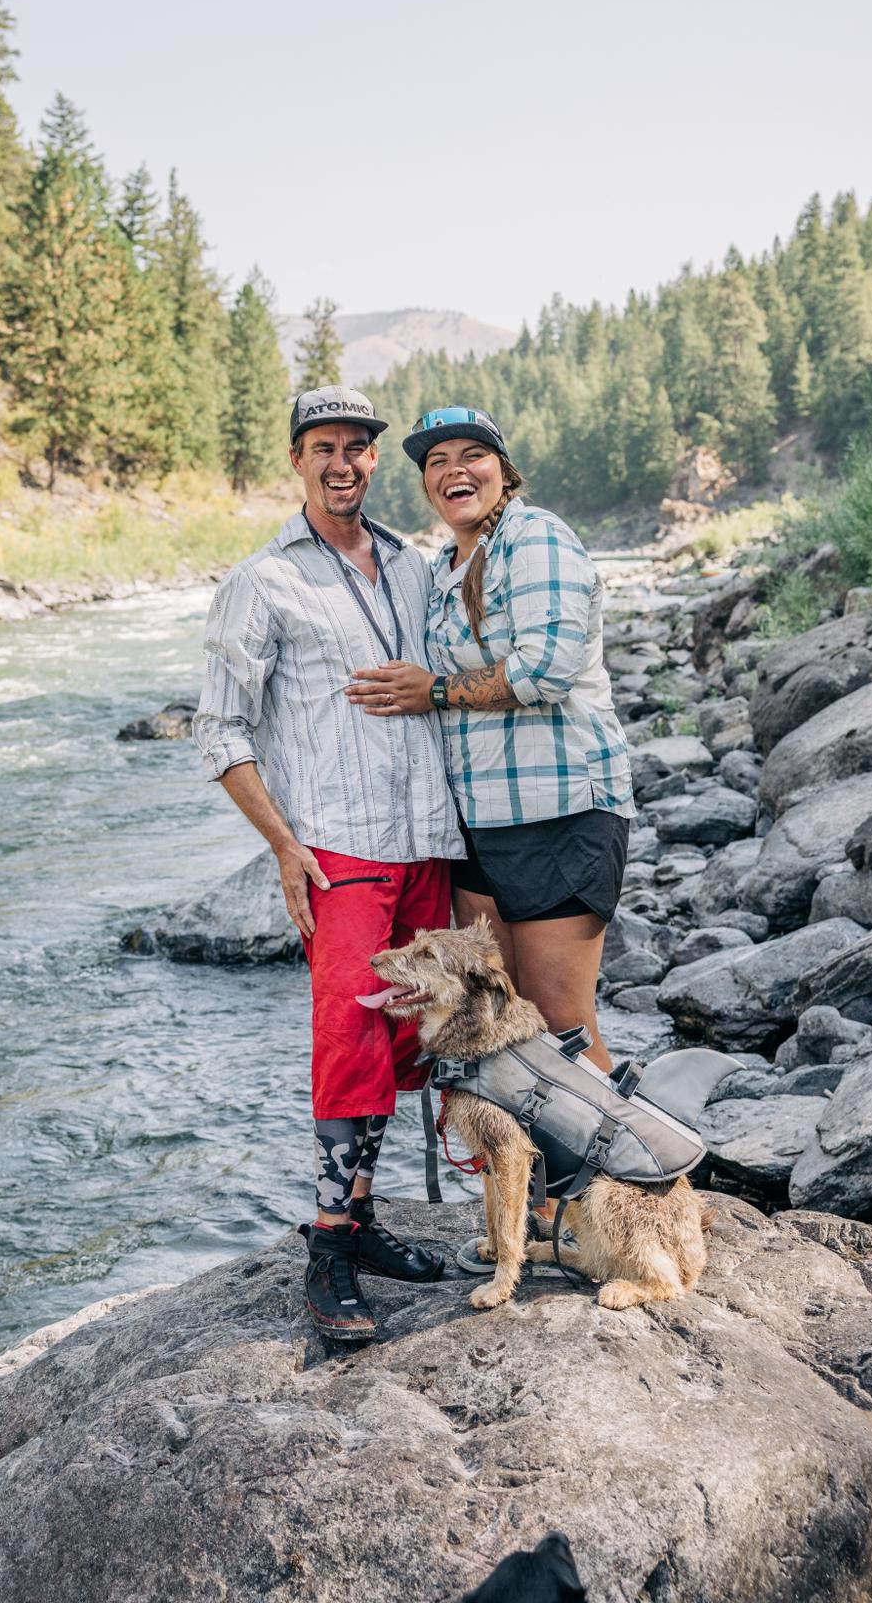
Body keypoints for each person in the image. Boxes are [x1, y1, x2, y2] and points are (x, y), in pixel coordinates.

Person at [193, 386, 463, 1342]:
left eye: (356, 447)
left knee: (401, 1038)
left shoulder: (415, 566)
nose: (341, 463)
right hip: (337, 845)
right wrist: (282, 843)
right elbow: (219, 729)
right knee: (348, 1039)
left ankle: (364, 1218)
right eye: (323, 447)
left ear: (375, 459)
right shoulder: (262, 581)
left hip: (427, 835)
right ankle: (329, 1249)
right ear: (297, 460)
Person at [345, 404, 634, 1269]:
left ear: (505, 472)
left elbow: (545, 670)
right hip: (481, 825)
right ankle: (528, 1218)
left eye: (474, 454)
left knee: (560, 1025)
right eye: (437, 461)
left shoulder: (535, 540)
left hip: (559, 813)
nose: (454, 470)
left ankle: (607, 1209)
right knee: (495, 1024)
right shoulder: (447, 566)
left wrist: (433, 691)